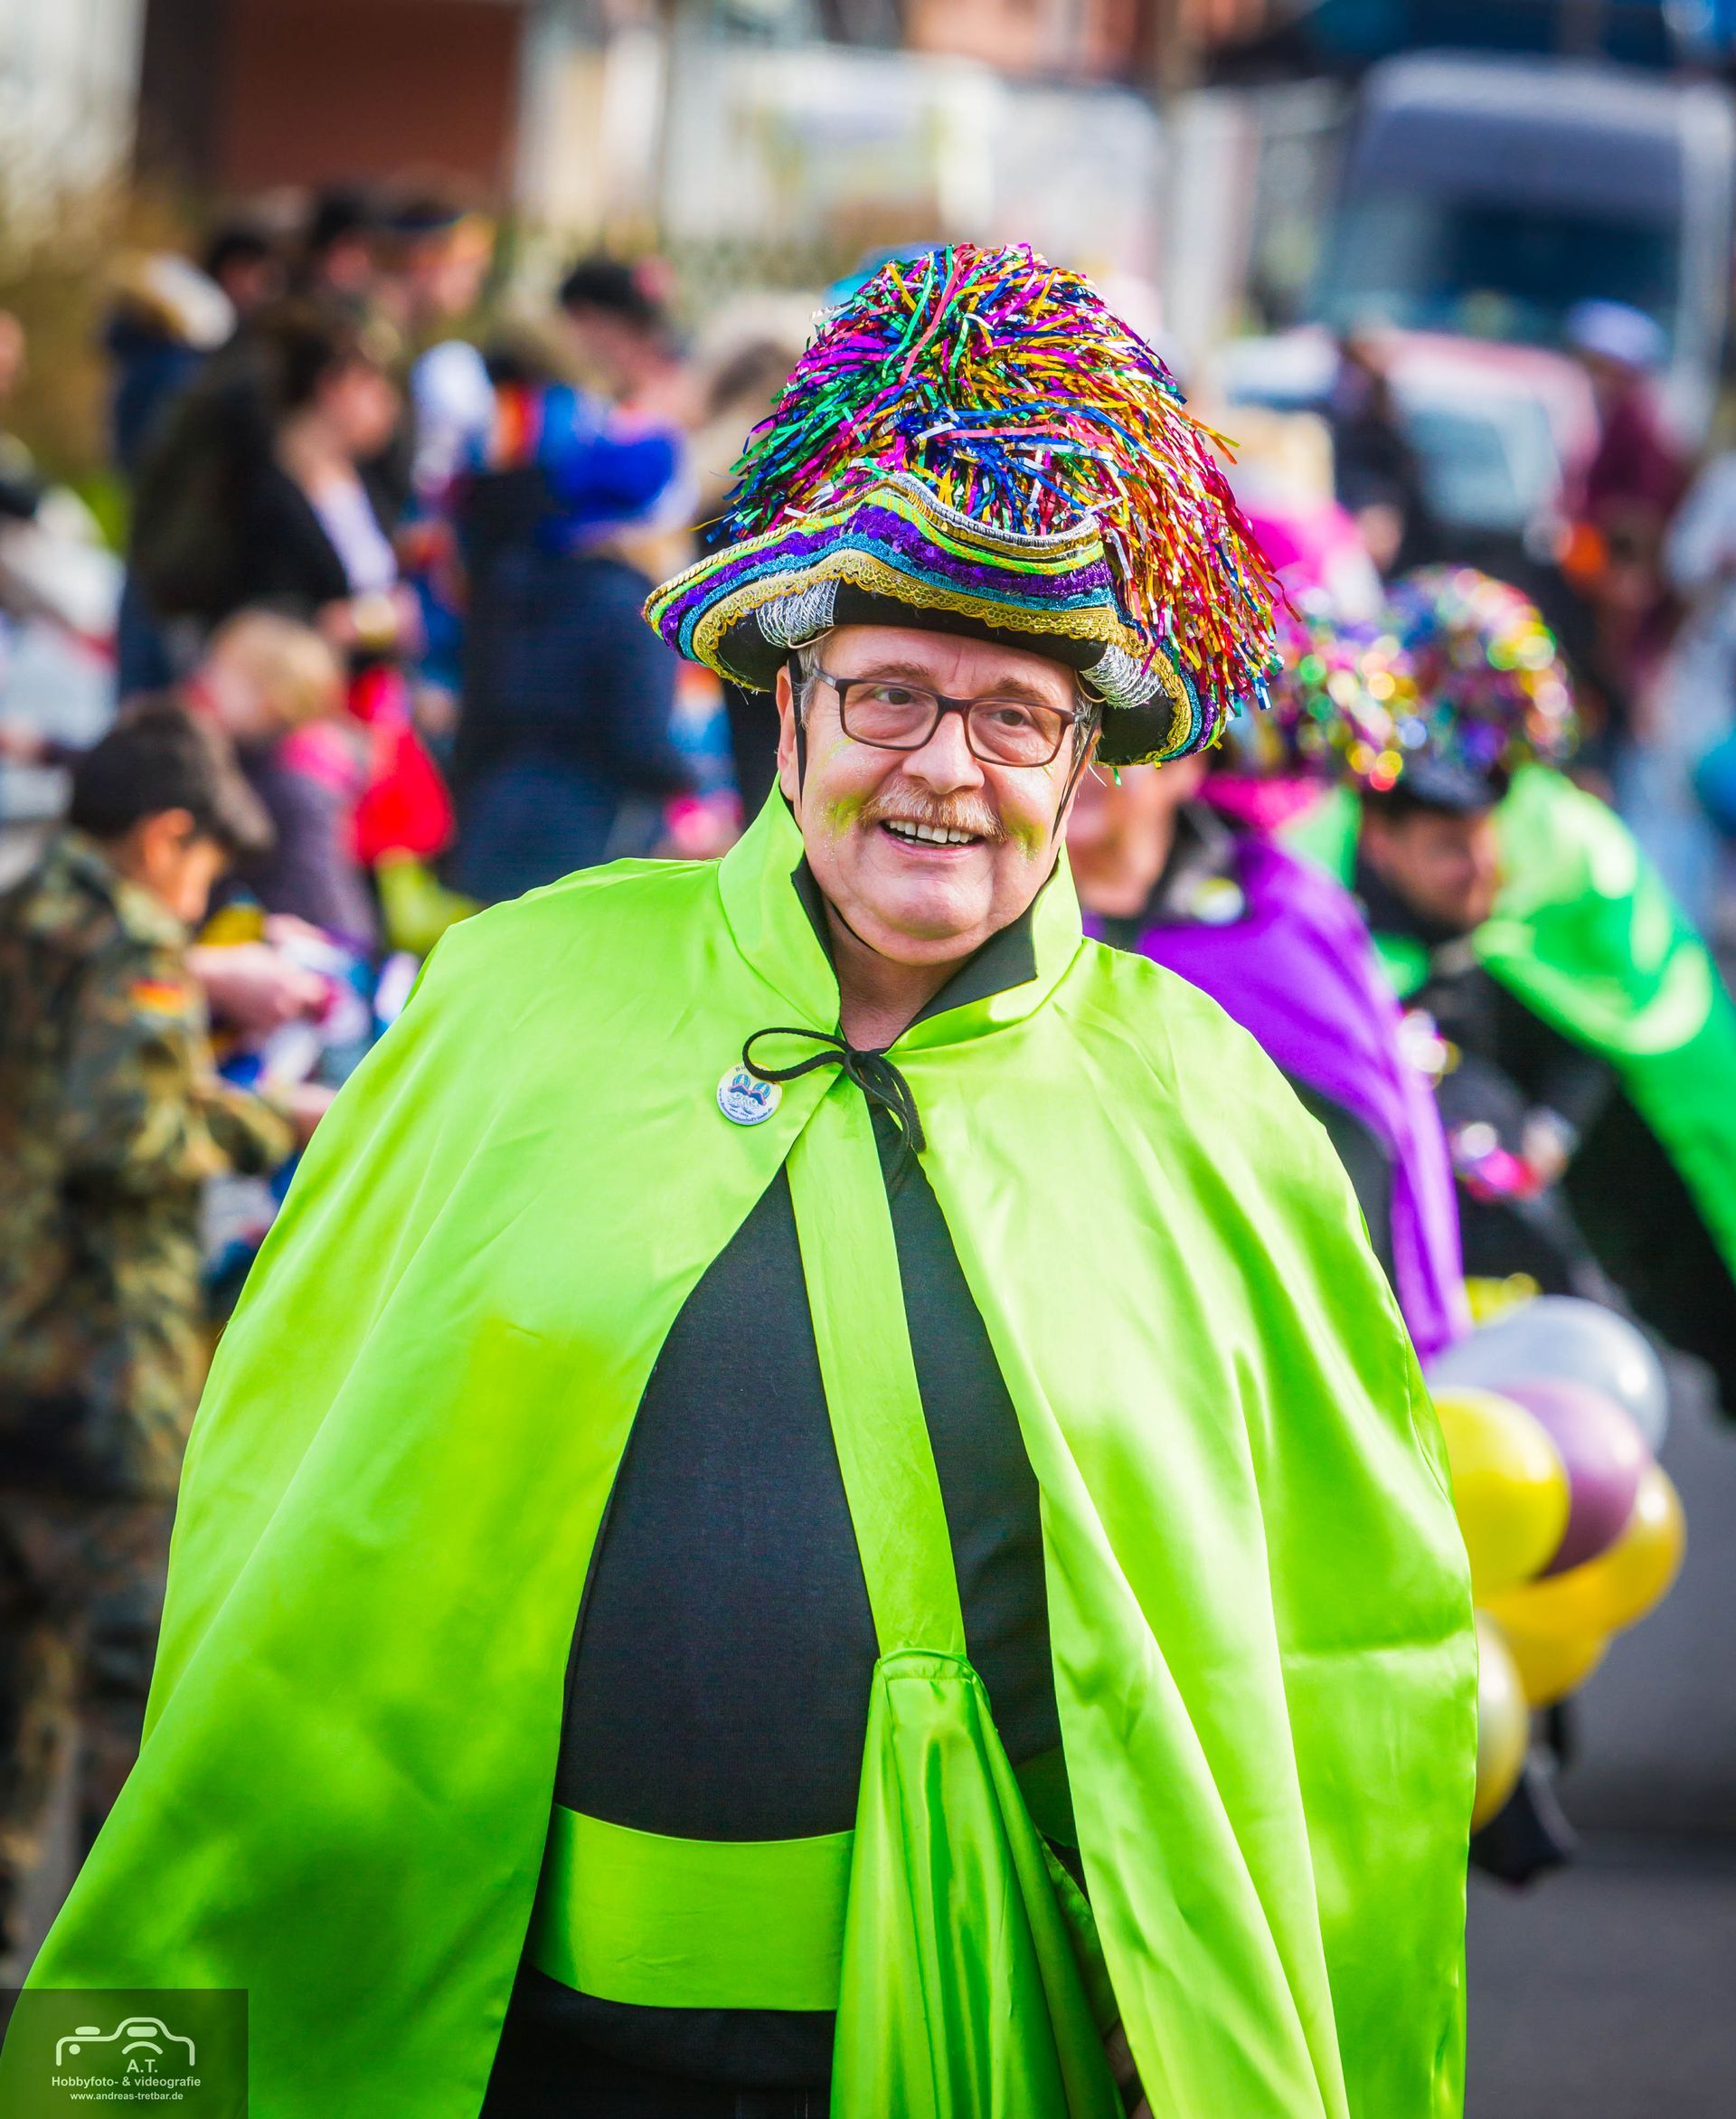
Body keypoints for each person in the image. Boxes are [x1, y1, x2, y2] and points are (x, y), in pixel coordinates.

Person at [6, 246, 1473, 2119]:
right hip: (521, 2057)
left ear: (1084, 764)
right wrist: (131, 2067)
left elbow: (1340, 1682)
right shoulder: (517, 1002)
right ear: (788, 716)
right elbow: (287, 1540)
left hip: (992, 2055)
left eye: (1015, 717)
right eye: (888, 695)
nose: (947, 769)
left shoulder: (1210, 1119)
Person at [0, 705, 326, 1957]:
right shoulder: (134, 937)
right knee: (138, 1707)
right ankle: (118, 2019)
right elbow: (122, 1132)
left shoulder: (29, 908)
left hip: (18, 1358)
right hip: (104, 1375)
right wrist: (279, 1118)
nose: (201, 899)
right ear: (164, 836)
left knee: (17, 1707)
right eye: (205, 869)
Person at [1293, 566, 1736, 1401]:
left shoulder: (1561, 847)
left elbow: (1620, 1007)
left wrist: (1553, 1129)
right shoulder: (1313, 894)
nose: (1481, 867)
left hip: (1623, 1162)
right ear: (1380, 841)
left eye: (1486, 833)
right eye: (1447, 847)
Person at [1069, 601, 1467, 1363]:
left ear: (1187, 759)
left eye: (1116, 730)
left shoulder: (1279, 909)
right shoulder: (994, 924)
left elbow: (1378, 1139)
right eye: (1057, 725)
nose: (1084, 759)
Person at [448, 374, 694, 898]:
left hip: (494, 812)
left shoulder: (515, 577)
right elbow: (640, 740)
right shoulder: (631, 605)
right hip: (584, 829)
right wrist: (693, 781)